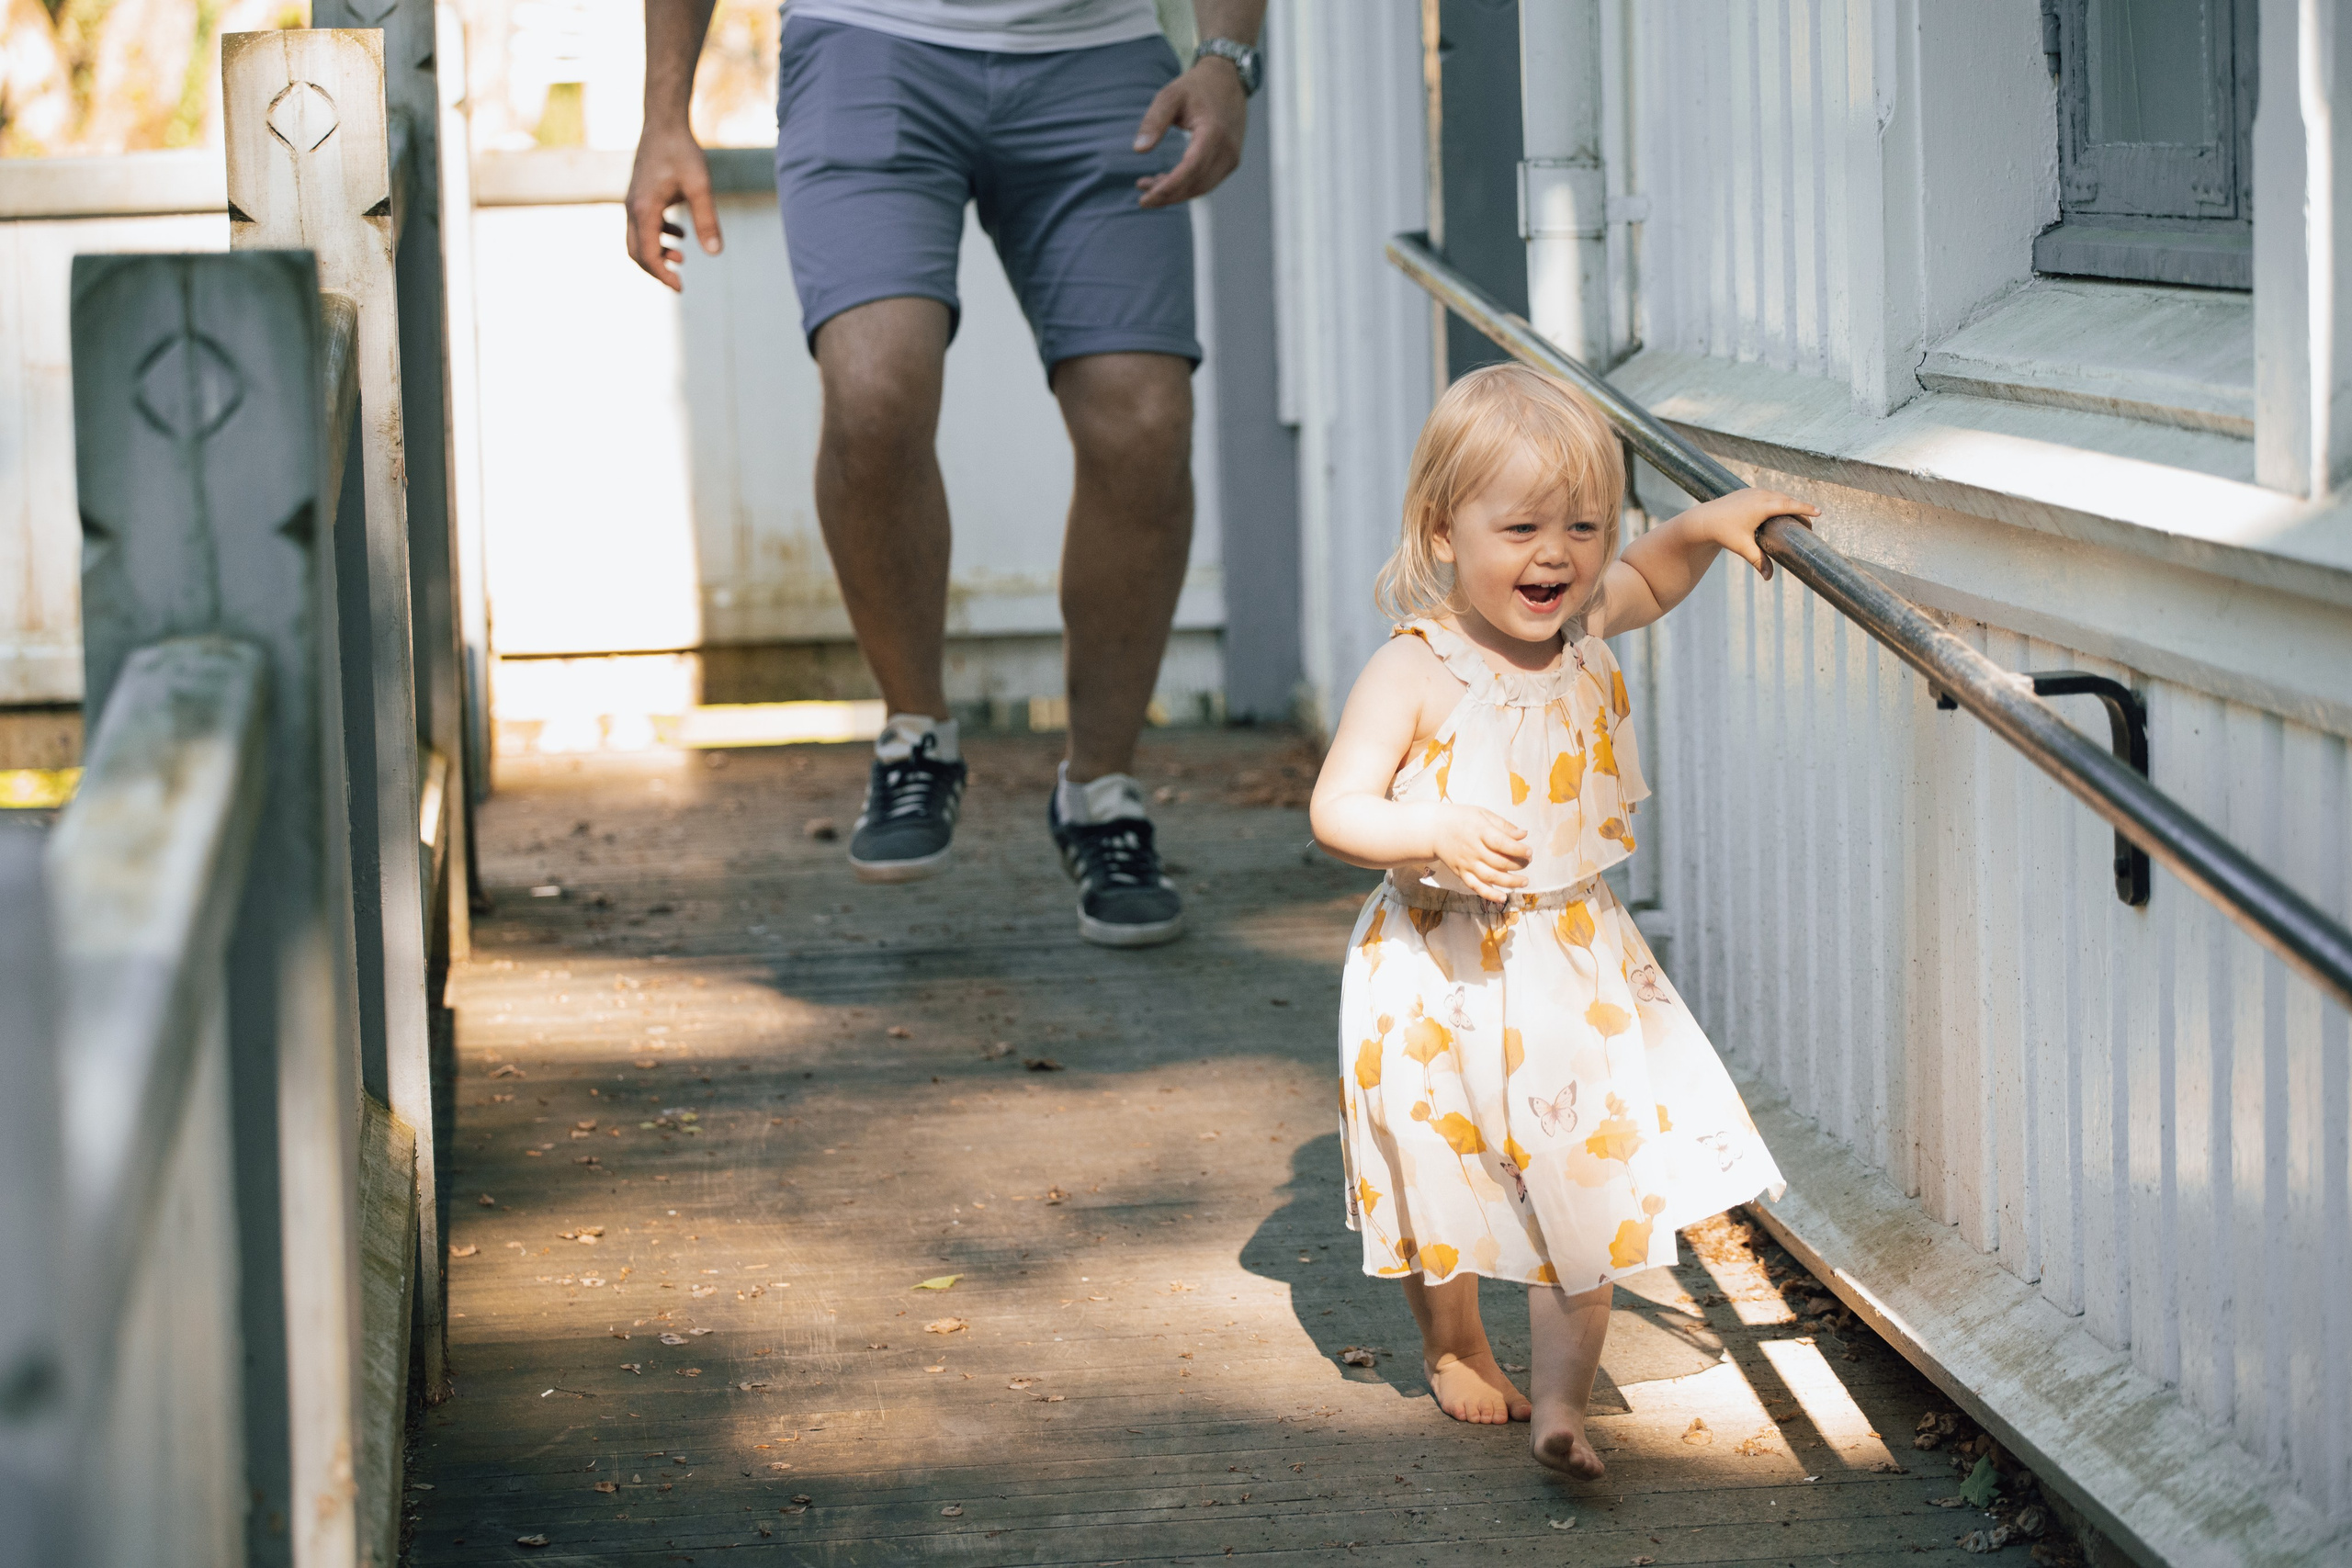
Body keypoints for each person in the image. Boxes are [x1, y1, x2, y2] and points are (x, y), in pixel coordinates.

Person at [625, 0, 1267, 948]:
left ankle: (1102, 794)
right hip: (865, 39)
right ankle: (915, 733)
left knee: (1144, 421)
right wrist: (664, 113)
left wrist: (1225, 57)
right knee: (874, 394)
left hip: (1094, 56)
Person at [1307, 364, 1808, 1477]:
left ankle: (1563, 1405)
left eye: (1581, 526)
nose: (1557, 555)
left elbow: (1654, 573)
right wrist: (1427, 826)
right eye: (1522, 526)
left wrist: (1712, 524)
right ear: (1443, 531)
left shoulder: (1585, 625)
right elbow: (1337, 808)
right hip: (1434, 968)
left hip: (1569, 965)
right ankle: (1453, 1343)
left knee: (1583, 1183)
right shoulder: (1417, 668)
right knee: (1446, 1164)